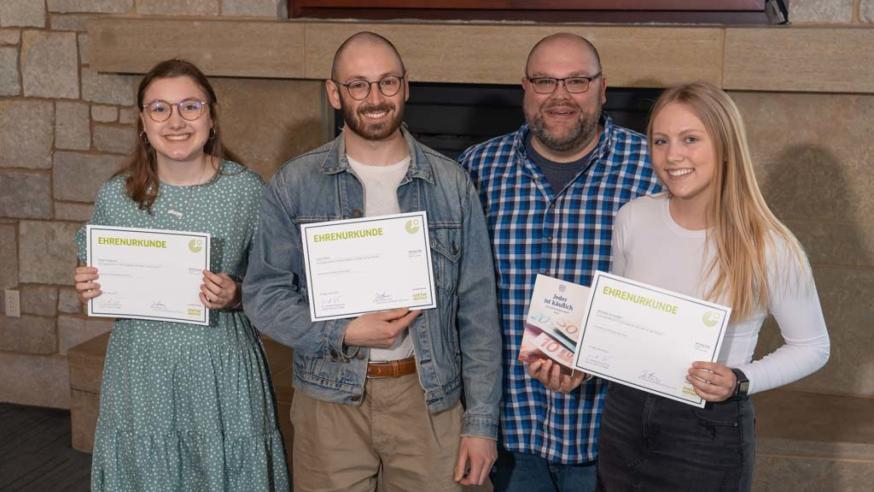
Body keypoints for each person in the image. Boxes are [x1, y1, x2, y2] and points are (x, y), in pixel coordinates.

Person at [243, 32, 502, 491]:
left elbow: (478, 314)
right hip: (329, 401)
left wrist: (480, 425)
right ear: (334, 92)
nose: (374, 98)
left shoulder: (452, 184)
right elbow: (263, 295)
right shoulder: (295, 183)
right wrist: (342, 331)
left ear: (406, 87)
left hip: (429, 399)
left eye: (387, 83)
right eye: (358, 85)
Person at [596, 81, 830, 491]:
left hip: (706, 430)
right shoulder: (633, 217)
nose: (672, 156)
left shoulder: (769, 245)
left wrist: (741, 379)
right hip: (624, 416)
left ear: (725, 146)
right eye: (660, 141)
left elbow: (813, 346)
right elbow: (618, 320)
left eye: (690, 140)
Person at [73, 59, 289, 491]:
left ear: (211, 116)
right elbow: (97, 283)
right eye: (159, 108)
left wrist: (238, 295)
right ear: (142, 121)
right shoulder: (116, 197)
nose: (175, 121)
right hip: (141, 370)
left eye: (190, 106)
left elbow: (280, 284)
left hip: (220, 370)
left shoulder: (247, 191)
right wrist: (88, 286)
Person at [459, 33, 661, 491]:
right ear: (525, 88)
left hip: (613, 438)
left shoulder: (652, 169)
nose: (560, 96)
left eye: (577, 81)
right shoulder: (475, 170)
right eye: (546, 81)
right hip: (509, 436)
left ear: (603, 88)